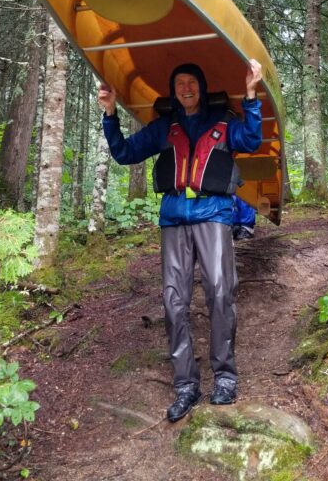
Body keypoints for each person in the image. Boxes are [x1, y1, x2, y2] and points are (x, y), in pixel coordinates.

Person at [98, 60, 263, 422]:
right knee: (174, 303)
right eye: (179, 84)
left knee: (220, 293)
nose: (186, 89)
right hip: (173, 218)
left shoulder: (223, 124)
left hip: (213, 214)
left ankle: (224, 378)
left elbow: (252, 139)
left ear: (201, 88)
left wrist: (251, 94)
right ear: (174, 92)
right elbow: (124, 153)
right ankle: (186, 385)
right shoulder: (163, 129)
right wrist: (110, 114)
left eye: (191, 83)